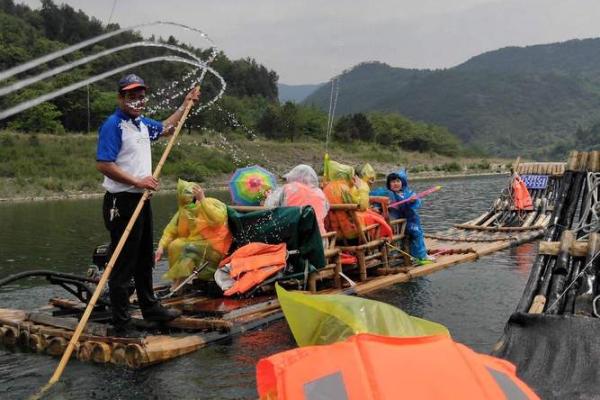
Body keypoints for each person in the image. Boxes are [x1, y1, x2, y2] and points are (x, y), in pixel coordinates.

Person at [96, 73, 199, 334]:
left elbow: (166, 128)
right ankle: (121, 322)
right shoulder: (114, 125)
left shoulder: (142, 125)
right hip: (121, 202)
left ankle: (150, 307)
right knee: (123, 261)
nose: (137, 101)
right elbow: (104, 164)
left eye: (141, 97)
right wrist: (137, 181)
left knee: (144, 258)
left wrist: (185, 105)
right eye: (132, 96)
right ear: (121, 97)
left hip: (142, 199)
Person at [155, 180, 232, 289]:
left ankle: (177, 286)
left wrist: (203, 200)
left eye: (192, 200)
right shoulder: (184, 211)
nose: (189, 204)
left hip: (215, 246)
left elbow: (218, 220)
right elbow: (170, 230)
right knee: (175, 245)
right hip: (195, 244)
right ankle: (177, 282)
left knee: (189, 250)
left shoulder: (210, 203)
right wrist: (161, 247)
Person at [371, 170, 434, 263]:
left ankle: (419, 254)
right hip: (398, 224)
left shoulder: (408, 193)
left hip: (409, 220)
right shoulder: (386, 194)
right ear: (389, 184)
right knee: (415, 231)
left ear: (402, 182)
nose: (395, 184)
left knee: (417, 231)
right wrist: (376, 208)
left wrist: (413, 201)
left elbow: (416, 204)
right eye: (392, 182)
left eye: (397, 181)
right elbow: (375, 201)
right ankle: (421, 256)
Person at [264, 164, 329, 235]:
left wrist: (268, 196)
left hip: (296, 241)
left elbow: (269, 206)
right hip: (321, 240)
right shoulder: (320, 193)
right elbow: (325, 210)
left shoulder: (289, 189)